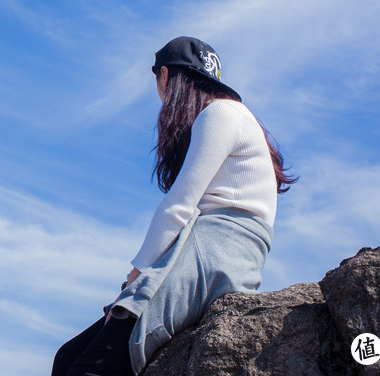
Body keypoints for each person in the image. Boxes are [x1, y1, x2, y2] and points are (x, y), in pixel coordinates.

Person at [51, 36, 297, 376]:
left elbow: (179, 206)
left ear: (164, 75)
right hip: (226, 256)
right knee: (66, 358)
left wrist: (132, 281)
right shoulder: (234, 115)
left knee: (90, 367)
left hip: (212, 253)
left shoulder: (220, 113)